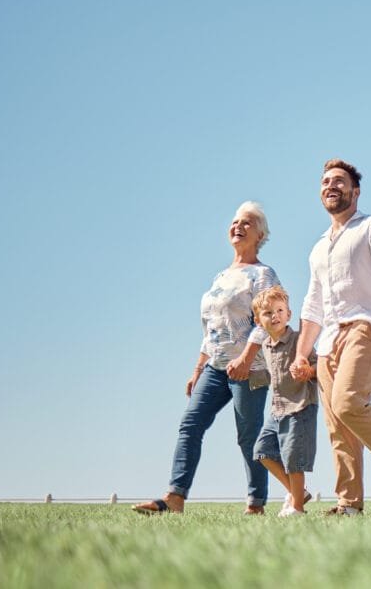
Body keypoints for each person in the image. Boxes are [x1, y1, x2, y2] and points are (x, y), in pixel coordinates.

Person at [291, 159, 371, 517]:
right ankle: (349, 504)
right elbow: (313, 304)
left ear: (355, 190)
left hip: (367, 325)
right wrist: (303, 353)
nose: (331, 186)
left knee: (349, 402)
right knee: (337, 424)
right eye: (325, 182)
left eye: (339, 181)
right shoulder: (318, 248)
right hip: (328, 340)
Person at [134, 201, 276, 515]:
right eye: (236, 221)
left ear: (260, 235)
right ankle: (175, 498)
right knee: (190, 425)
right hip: (216, 366)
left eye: (247, 223)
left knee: (248, 435)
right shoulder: (221, 276)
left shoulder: (263, 274)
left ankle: (256, 504)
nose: (238, 226)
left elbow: (268, 319)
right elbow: (211, 327)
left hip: (249, 368)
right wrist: (198, 368)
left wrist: (246, 357)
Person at [251, 285, 318, 517]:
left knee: (293, 460)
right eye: (268, 313)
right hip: (277, 409)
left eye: (280, 310)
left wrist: (309, 370)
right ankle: (297, 492)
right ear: (258, 321)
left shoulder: (299, 340)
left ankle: (297, 507)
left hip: (300, 406)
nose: (275, 316)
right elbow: (268, 374)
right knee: (262, 451)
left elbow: (319, 366)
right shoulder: (265, 347)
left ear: (288, 314)